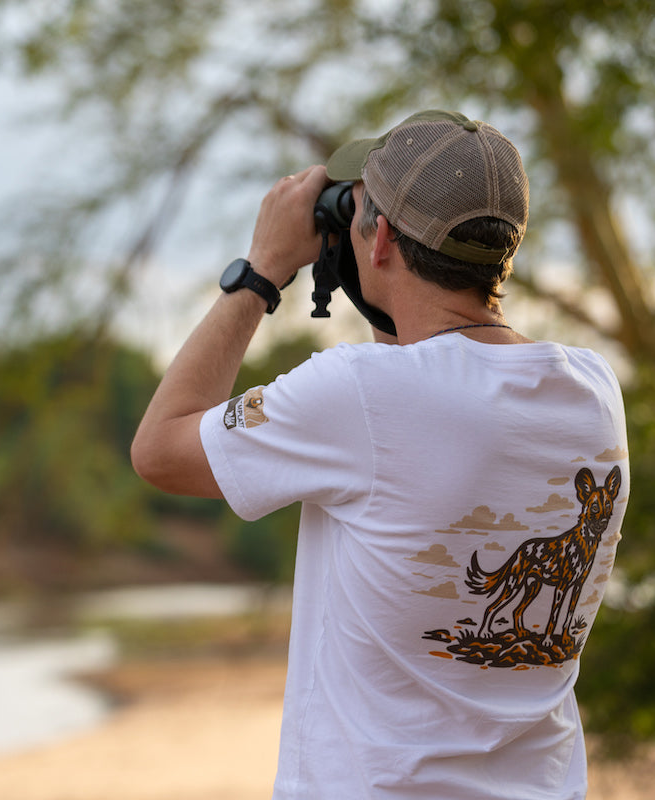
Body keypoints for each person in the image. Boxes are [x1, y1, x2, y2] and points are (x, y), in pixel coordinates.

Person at [130, 110, 629, 800]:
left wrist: (264, 270)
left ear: (384, 237)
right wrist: (373, 270)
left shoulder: (357, 394)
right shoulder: (592, 390)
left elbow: (159, 449)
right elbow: (440, 386)